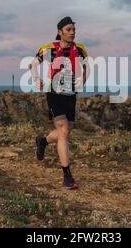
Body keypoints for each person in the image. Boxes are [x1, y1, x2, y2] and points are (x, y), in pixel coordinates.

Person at [29, 16, 89, 190]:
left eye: (73, 30)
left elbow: (87, 67)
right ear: (60, 32)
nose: (72, 33)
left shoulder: (80, 49)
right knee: (63, 130)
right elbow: (33, 65)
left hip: (70, 94)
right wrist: (36, 79)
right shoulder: (48, 49)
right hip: (53, 93)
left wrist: (83, 80)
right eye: (68, 29)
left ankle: (43, 141)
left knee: (66, 132)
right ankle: (67, 176)